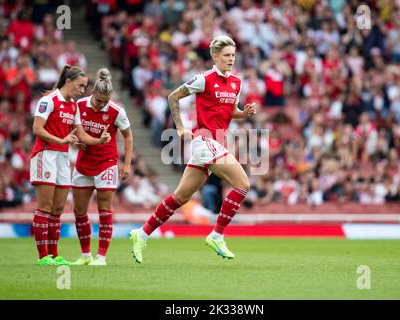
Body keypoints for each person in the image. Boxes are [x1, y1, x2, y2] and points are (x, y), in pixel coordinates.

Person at [129, 35, 257, 262]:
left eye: (233, 55)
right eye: (227, 55)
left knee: (180, 196)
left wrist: (243, 113)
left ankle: (142, 233)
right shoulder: (204, 79)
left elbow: (231, 111)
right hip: (204, 140)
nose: (231, 59)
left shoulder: (236, 82)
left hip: (217, 142)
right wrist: (180, 128)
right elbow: (173, 97)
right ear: (215, 56)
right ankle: (217, 235)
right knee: (243, 183)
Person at [30, 65, 111, 266]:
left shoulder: (73, 106)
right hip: (45, 155)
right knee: (45, 207)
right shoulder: (48, 101)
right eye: (81, 86)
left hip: (63, 158)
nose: (83, 90)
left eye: (85, 87)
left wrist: (98, 141)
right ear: (68, 81)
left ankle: (54, 254)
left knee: (58, 208)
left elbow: (81, 134)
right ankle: (43, 257)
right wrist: (60, 140)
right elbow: (37, 129)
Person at [72, 68, 133, 266]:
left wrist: (126, 164)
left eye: (105, 102)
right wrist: (76, 141)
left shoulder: (116, 110)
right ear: (92, 94)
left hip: (106, 163)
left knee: (105, 210)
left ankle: (101, 257)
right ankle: (85, 255)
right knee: (79, 211)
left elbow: (128, 135)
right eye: (98, 101)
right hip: (83, 162)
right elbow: (74, 131)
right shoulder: (79, 105)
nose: (101, 105)